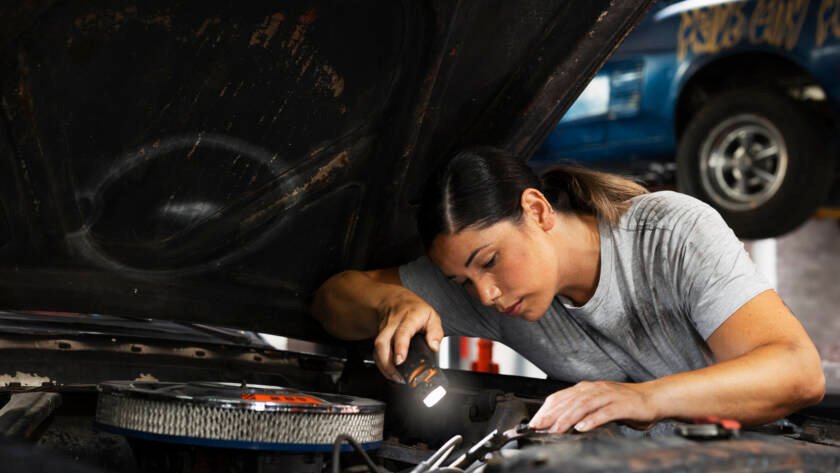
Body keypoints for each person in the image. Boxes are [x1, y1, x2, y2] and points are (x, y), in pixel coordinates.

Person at [311, 146, 825, 433]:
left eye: (489, 262)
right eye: (461, 282)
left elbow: (795, 373)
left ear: (537, 210)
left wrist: (643, 399)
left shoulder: (671, 233)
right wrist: (393, 301)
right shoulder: (491, 293)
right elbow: (332, 300)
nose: (484, 294)